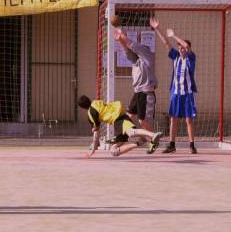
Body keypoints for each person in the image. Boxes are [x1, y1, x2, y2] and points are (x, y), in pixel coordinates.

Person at [111, 15, 158, 153]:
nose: (136, 50)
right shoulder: (137, 61)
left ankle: (152, 140)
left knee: (144, 122)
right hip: (137, 93)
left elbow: (132, 45)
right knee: (128, 116)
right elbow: (127, 50)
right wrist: (120, 39)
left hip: (146, 93)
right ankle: (121, 139)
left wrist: (122, 35)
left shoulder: (147, 55)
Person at [150, 17, 198, 154]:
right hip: (176, 94)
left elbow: (187, 46)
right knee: (173, 120)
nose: (181, 49)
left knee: (189, 120)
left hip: (187, 94)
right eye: (179, 47)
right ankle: (172, 145)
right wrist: (157, 28)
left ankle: (192, 145)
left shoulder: (191, 58)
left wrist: (175, 36)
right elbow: (166, 43)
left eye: (183, 47)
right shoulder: (176, 57)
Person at [77, 95, 163, 158]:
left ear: (82, 107)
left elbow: (96, 133)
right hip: (118, 121)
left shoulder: (90, 113)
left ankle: (153, 135)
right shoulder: (96, 102)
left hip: (118, 119)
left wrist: (92, 151)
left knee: (131, 132)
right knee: (114, 151)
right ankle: (139, 142)